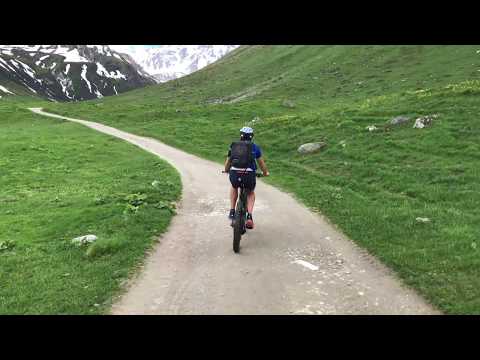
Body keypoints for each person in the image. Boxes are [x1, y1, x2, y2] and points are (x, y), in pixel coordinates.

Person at [224, 126, 269, 229]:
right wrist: (265, 172)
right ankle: (249, 216)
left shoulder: (233, 146)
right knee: (250, 192)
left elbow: (228, 162)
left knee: (234, 187)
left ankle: (232, 211)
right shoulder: (255, 147)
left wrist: (226, 170)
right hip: (249, 175)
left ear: (241, 135)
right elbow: (261, 164)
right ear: (251, 136)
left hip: (235, 173)